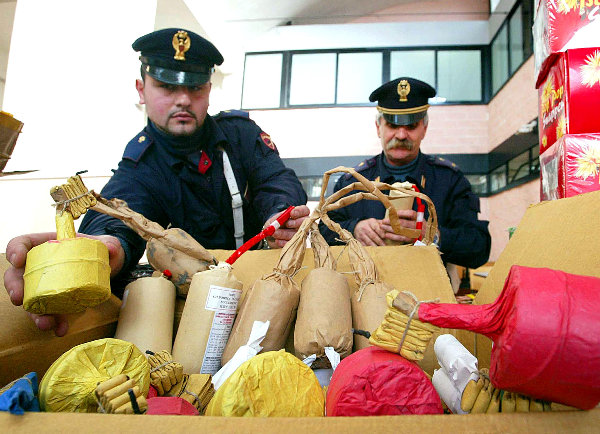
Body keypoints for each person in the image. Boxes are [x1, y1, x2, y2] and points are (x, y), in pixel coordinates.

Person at [4, 28, 309, 336]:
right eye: (167, 86)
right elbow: (119, 213)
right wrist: (106, 249)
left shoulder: (240, 134)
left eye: (195, 87)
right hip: (196, 304)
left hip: (267, 282)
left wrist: (279, 213)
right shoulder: (142, 165)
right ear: (141, 89)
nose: (183, 99)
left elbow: (276, 178)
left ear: (208, 89)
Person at [319, 77, 491, 269]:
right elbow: (321, 231)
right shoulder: (351, 181)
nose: (401, 135)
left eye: (411, 126)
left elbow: (479, 248)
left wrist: (431, 235)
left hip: (428, 285)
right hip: (367, 285)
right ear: (378, 128)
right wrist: (353, 229)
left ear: (424, 129)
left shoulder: (449, 180)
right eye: (392, 126)